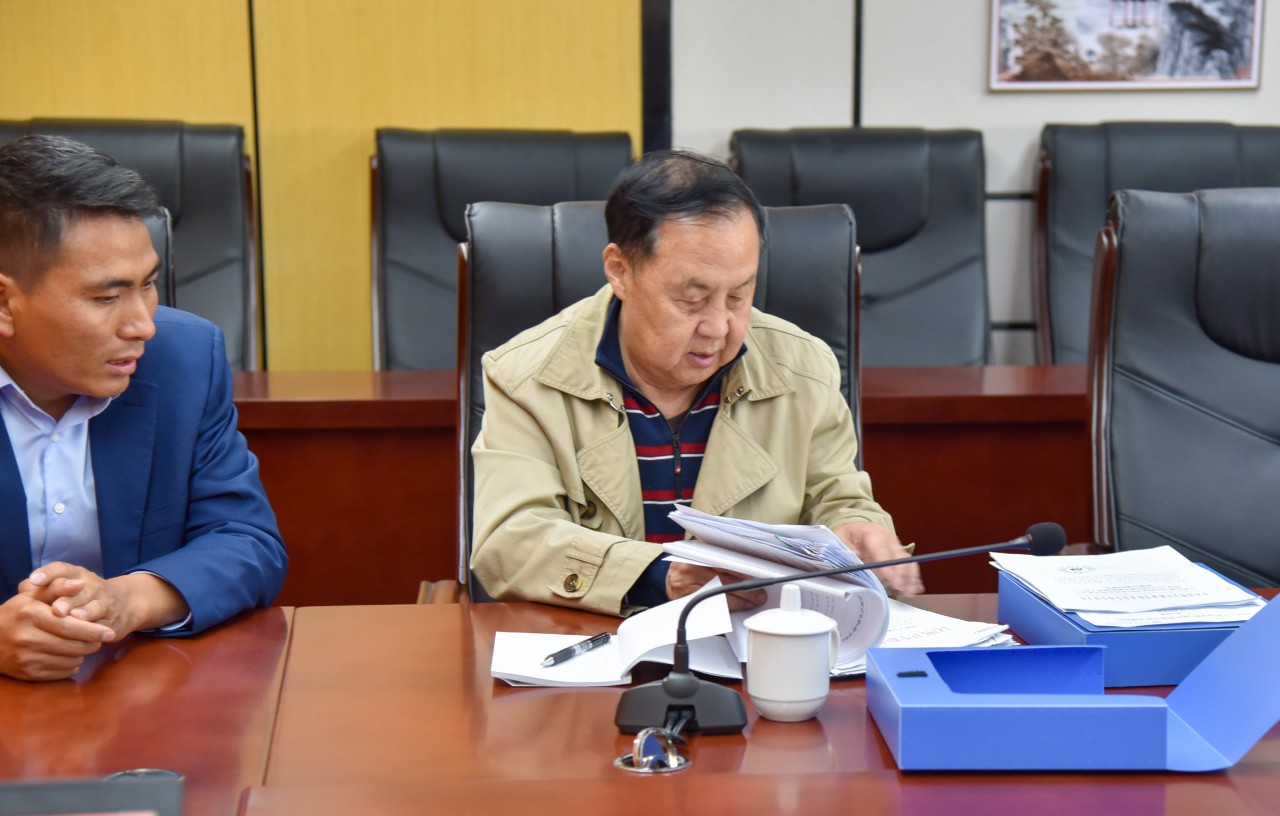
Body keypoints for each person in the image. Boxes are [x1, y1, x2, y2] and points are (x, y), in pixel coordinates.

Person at [470, 149, 922, 615]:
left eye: (739, 296)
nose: (719, 327)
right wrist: (659, 576)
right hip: (594, 640)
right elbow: (511, 541)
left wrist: (856, 528)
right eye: (692, 299)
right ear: (620, 270)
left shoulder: (803, 368)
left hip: (755, 642)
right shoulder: (526, 376)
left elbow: (836, 497)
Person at [0, 134, 287, 681]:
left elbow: (245, 542)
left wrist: (126, 601)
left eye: (148, 285)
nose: (143, 326)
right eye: (107, 297)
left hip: (137, 691)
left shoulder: (184, 359)